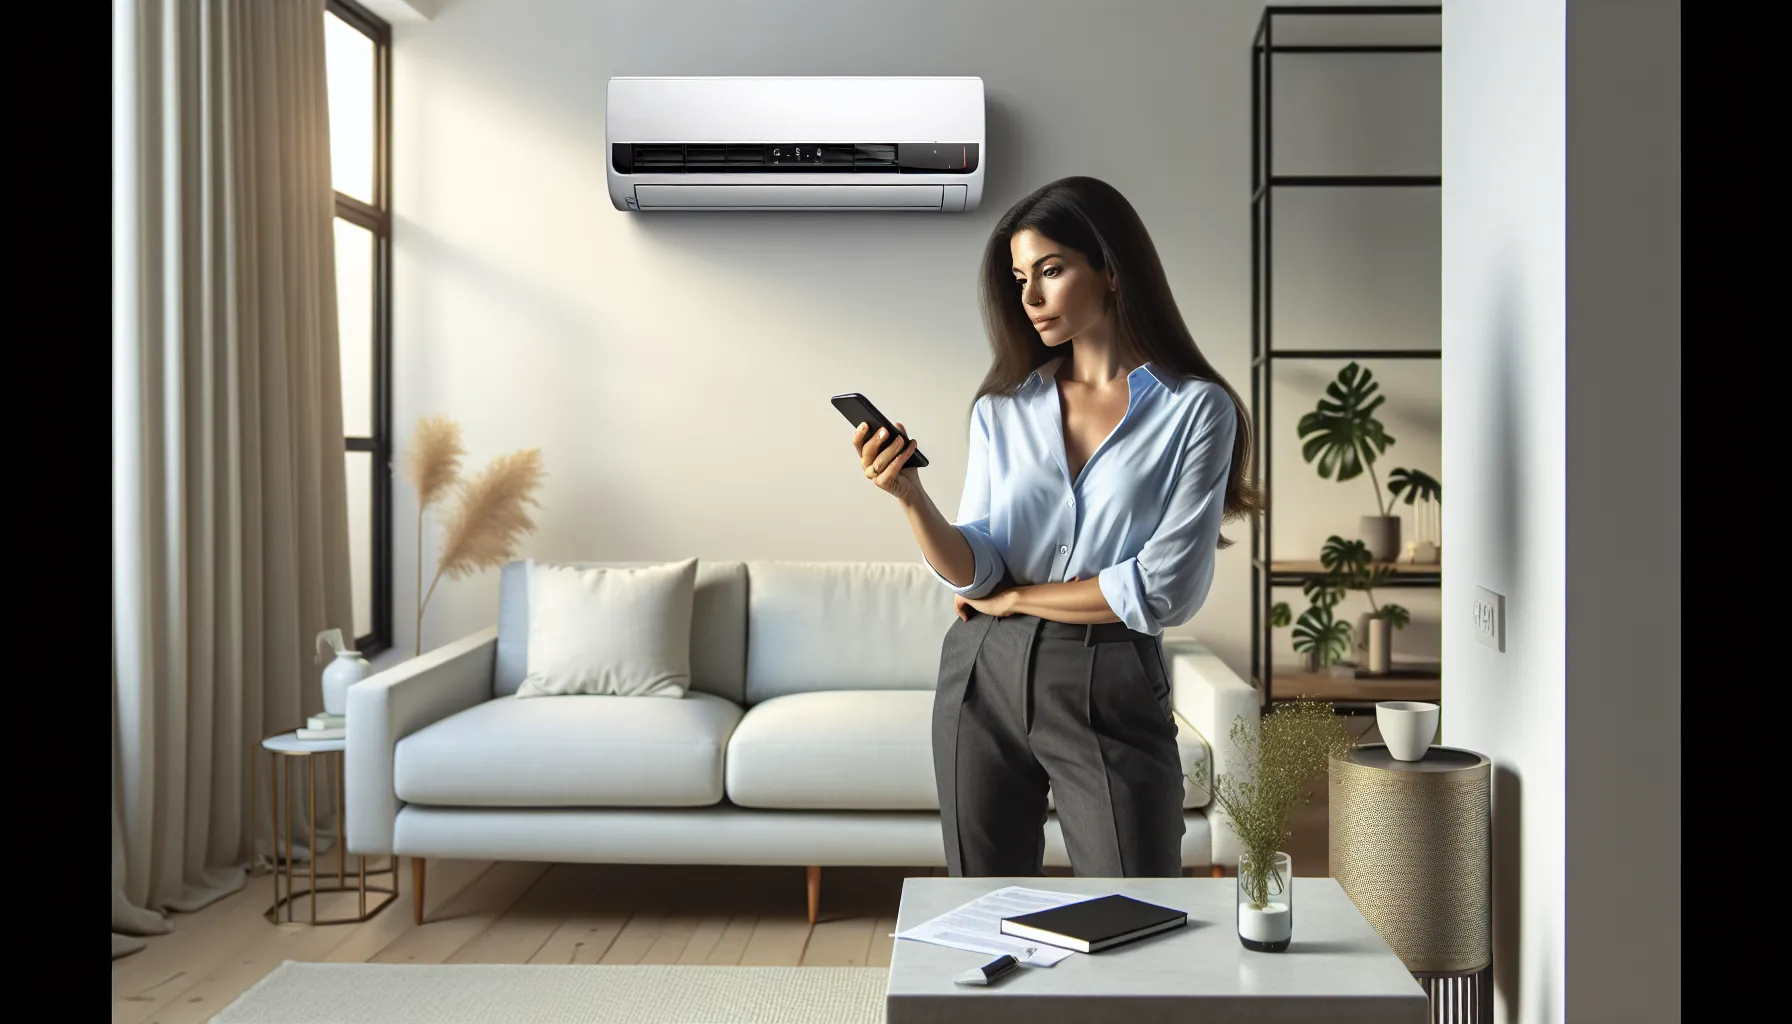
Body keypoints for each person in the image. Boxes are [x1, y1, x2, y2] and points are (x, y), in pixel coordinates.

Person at [848, 176, 1259, 878]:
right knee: (981, 904)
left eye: (1051, 270)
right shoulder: (1002, 409)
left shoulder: (1197, 410)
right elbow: (977, 569)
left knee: (1136, 901)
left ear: (1111, 270)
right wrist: (911, 497)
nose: (1030, 298)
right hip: (982, 669)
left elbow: (1164, 588)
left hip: (1109, 670)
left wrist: (1018, 598)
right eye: (1020, 279)